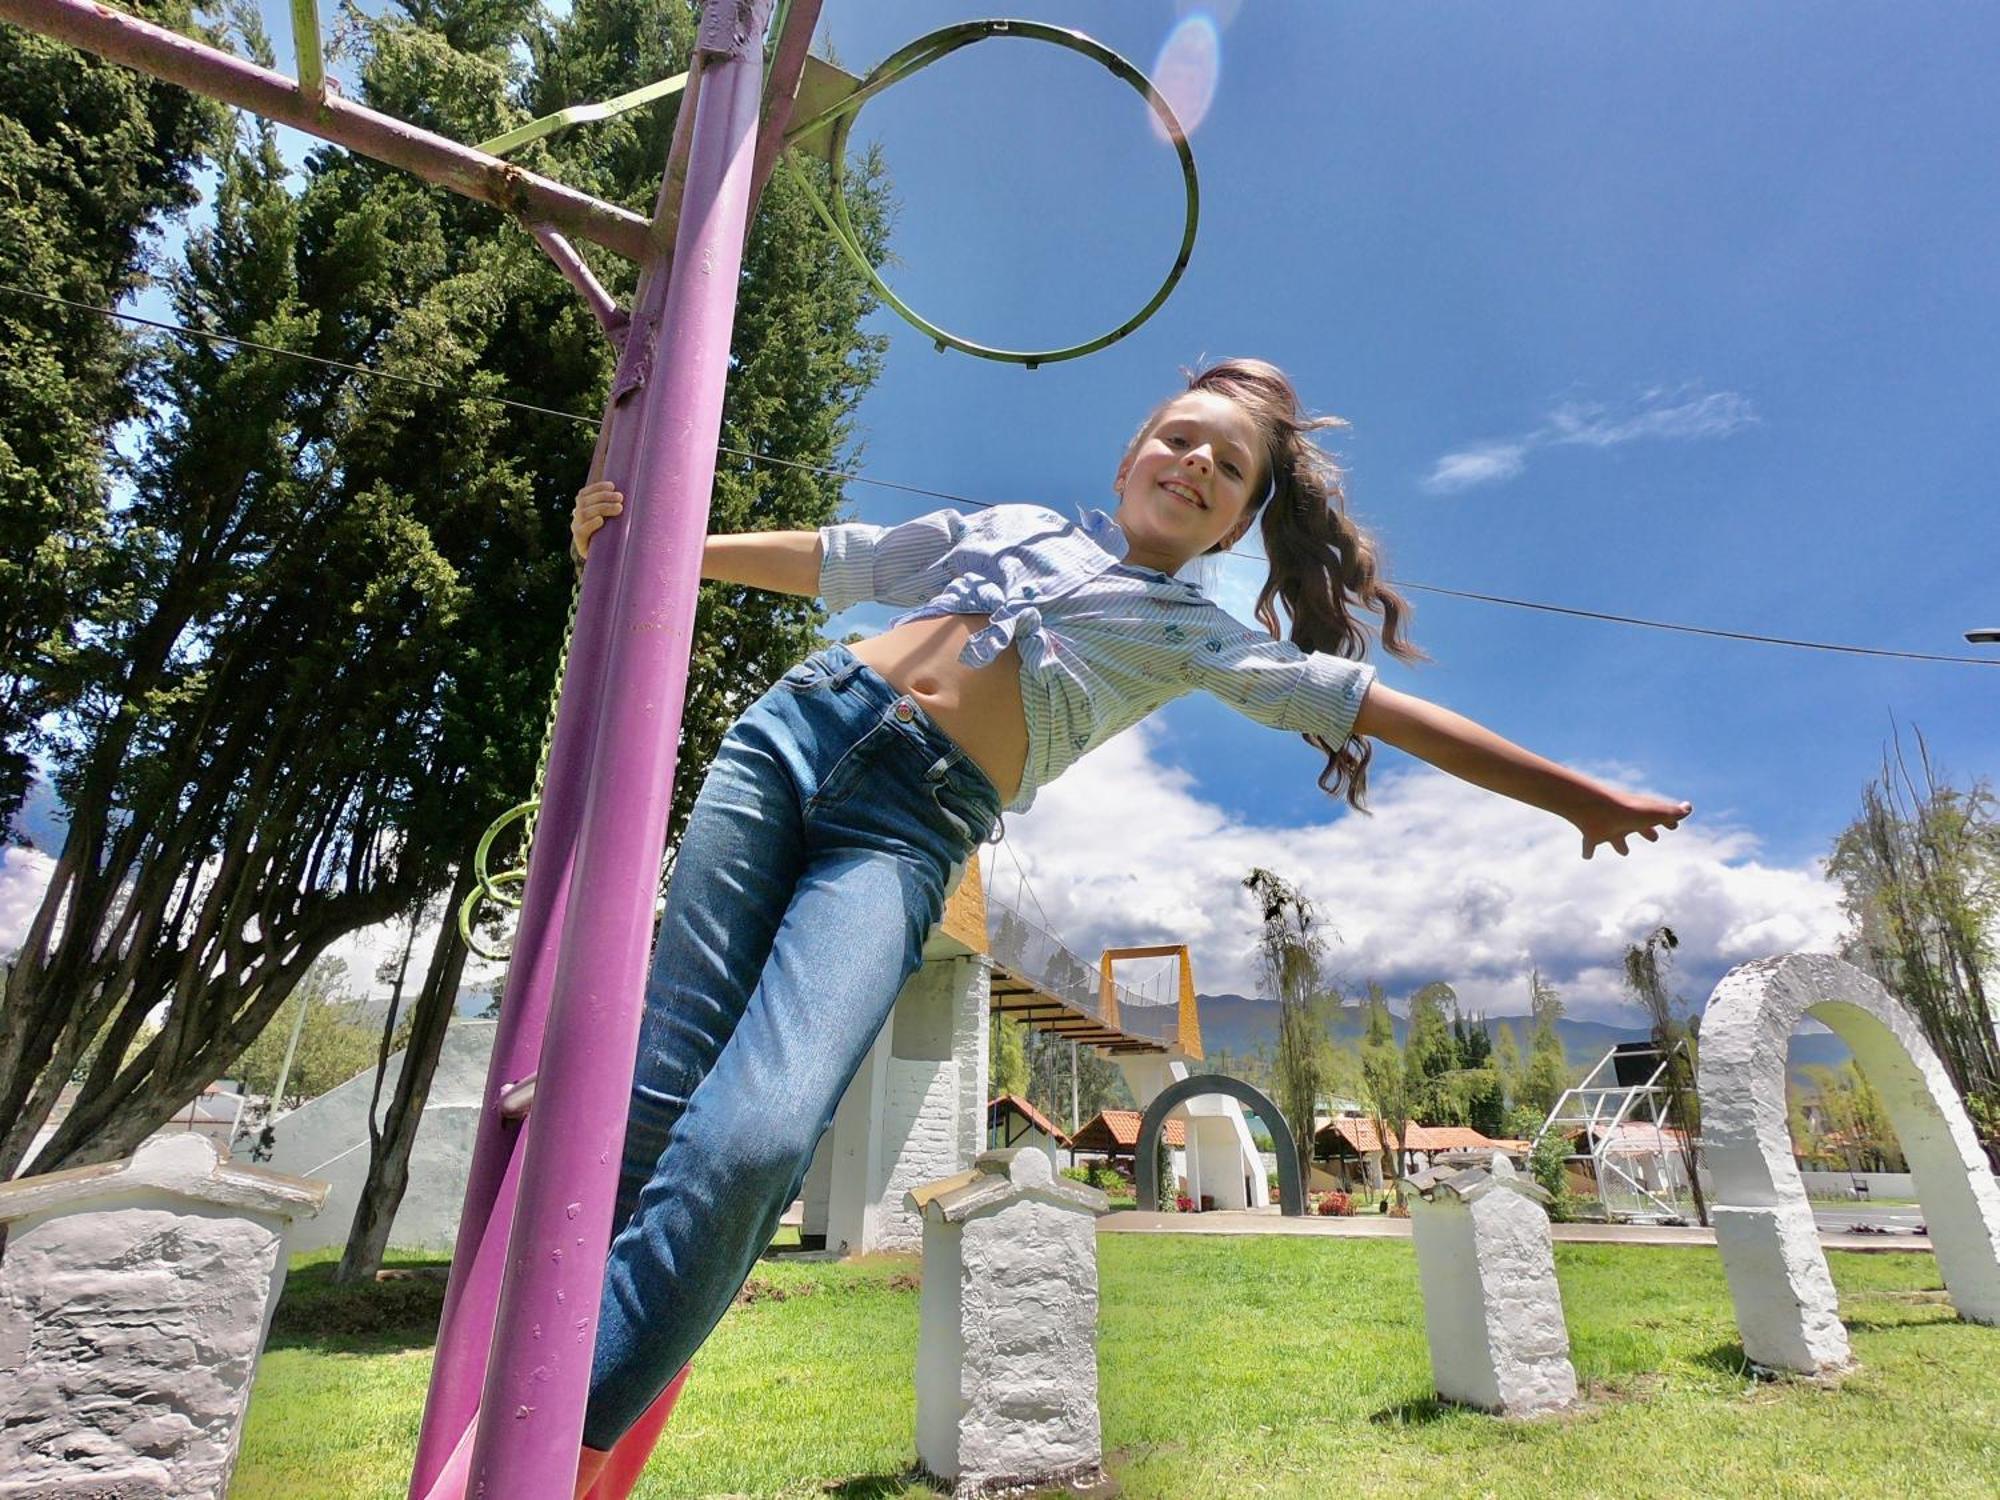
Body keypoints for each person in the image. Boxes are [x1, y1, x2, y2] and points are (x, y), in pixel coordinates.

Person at [460, 358, 1691, 1498]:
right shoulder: (1012, 525)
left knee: (751, 1145)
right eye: (1179, 438)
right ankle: (516, 1445)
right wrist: (657, 546)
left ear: (1232, 525)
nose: (1195, 466)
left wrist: (1578, 797)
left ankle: (537, 1456)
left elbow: (1379, 706)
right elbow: (851, 560)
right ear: (1127, 457)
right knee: (642, 1118)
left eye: (1228, 471)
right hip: (790, 736)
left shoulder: (1201, 640)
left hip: (901, 836)